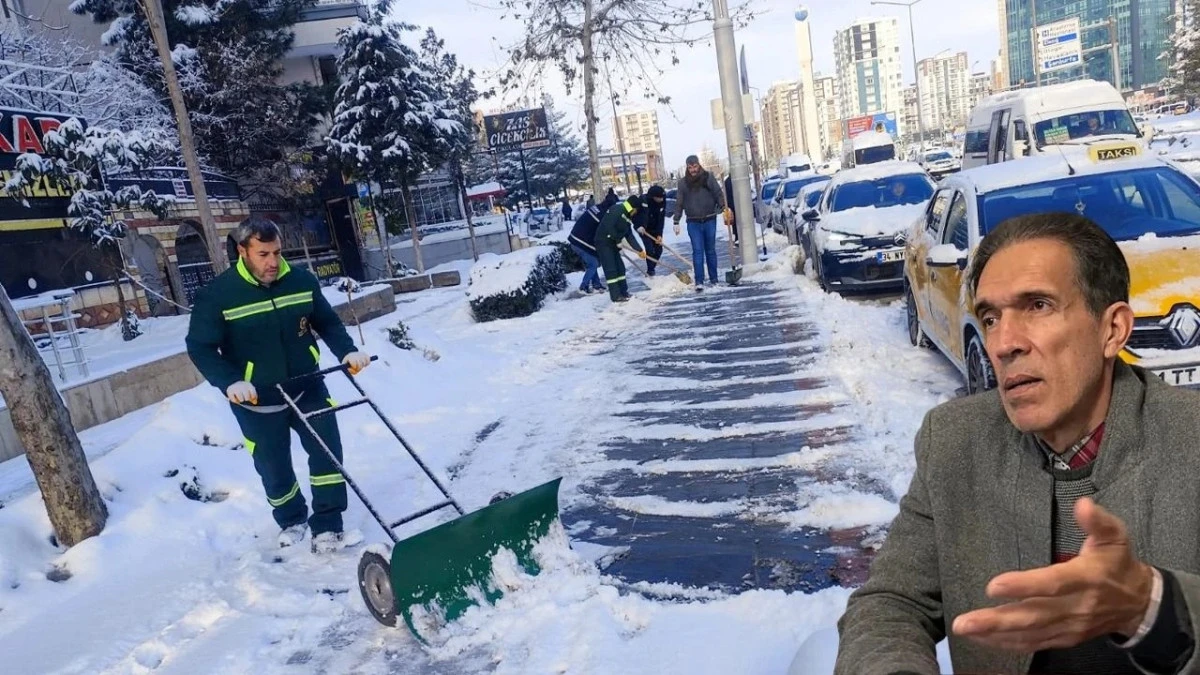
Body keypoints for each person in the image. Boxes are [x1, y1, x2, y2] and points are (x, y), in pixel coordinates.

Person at [835, 212, 1200, 675]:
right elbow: (891, 603)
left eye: (1038, 306)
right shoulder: (952, 442)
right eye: (990, 317)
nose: (1004, 343)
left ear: (1113, 330)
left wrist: (1150, 608)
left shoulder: (1189, 439)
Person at [185, 218, 372, 554]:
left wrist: (347, 350)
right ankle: (291, 519)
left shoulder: (300, 281)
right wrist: (230, 382)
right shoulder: (218, 295)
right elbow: (199, 347)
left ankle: (328, 526)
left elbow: (326, 322)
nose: (272, 262)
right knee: (273, 465)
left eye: (276, 252)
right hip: (257, 399)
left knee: (327, 453)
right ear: (242, 251)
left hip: (306, 386)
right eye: (262, 254)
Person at [672, 155, 726, 291]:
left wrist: (724, 207)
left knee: (710, 251)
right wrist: (676, 220)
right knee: (697, 251)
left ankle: (714, 279)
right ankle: (699, 281)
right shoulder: (683, 183)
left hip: (709, 219)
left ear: (699, 165)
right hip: (693, 222)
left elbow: (718, 193)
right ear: (687, 168)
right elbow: (679, 202)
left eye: (695, 166)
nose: (693, 170)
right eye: (690, 167)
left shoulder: (708, 177)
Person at [594, 195, 646, 303]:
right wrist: (618, 240)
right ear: (632, 208)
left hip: (613, 243)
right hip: (604, 243)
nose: (636, 213)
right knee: (611, 269)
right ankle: (616, 296)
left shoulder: (627, 217)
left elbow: (629, 236)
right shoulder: (617, 210)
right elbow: (609, 226)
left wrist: (639, 250)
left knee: (620, 268)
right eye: (636, 210)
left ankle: (623, 292)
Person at [568, 202, 607, 294]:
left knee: (593, 262)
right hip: (579, 243)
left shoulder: (597, 209)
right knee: (593, 264)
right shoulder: (601, 217)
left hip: (577, 240)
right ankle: (583, 287)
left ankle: (596, 285)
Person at [638, 185, 667, 276]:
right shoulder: (643, 201)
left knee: (659, 250)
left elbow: (661, 219)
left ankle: (651, 268)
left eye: (662, 197)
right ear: (653, 197)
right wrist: (639, 226)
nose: (661, 199)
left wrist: (659, 234)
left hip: (655, 229)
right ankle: (650, 271)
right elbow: (634, 216)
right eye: (659, 198)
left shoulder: (662, 202)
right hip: (643, 229)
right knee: (650, 249)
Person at [723, 173, 738, 246]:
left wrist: (727, 205)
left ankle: (736, 236)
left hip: (731, 205)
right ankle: (738, 237)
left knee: (734, 222)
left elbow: (725, 195)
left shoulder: (726, 182)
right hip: (736, 203)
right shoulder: (735, 180)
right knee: (738, 221)